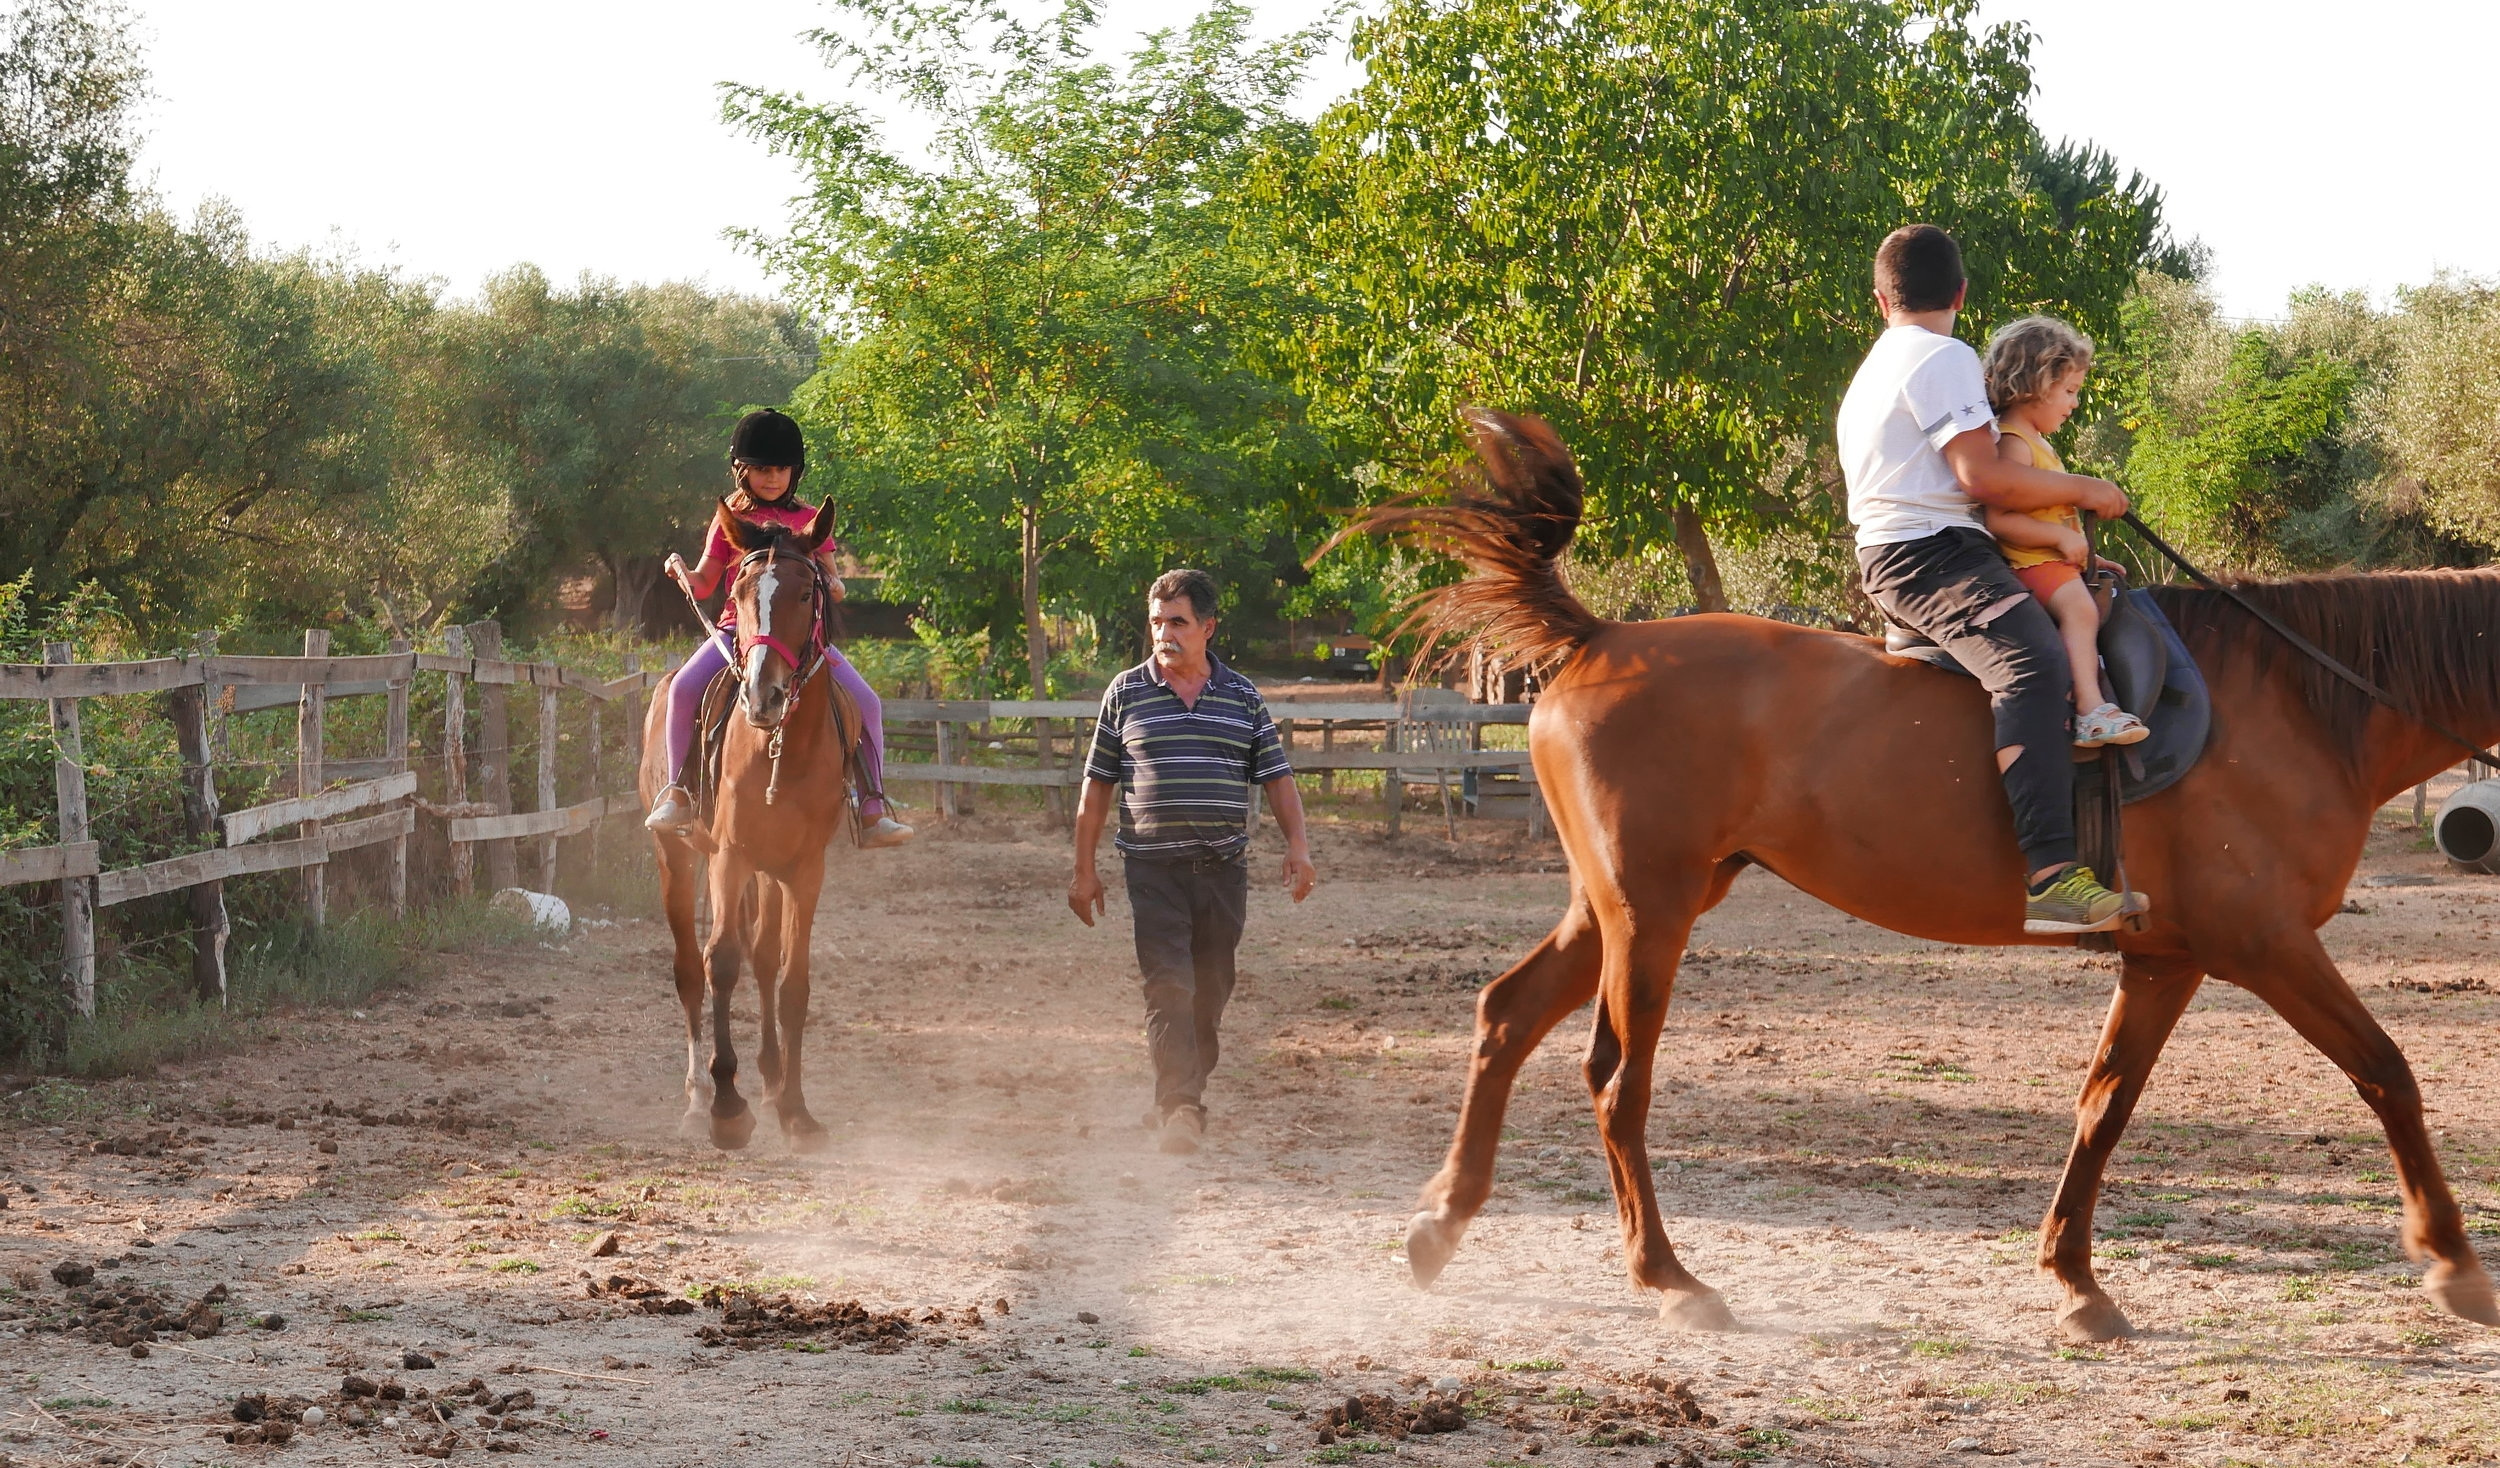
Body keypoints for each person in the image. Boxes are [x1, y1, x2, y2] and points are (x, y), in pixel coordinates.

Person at [1836, 224, 2146, 935]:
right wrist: (2088, 487)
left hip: (1921, 547)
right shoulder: (1943, 357)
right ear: (1962, 294)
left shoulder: (1879, 364)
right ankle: (2051, 876)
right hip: (1930, 552)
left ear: (1882, 298)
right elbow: (1983, 478)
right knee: (2032, 662)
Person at [1067, 568, 1319, 1155]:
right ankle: (1180, 1105)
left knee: (1210, 990)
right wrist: (1084, 870)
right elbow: (1095, 789)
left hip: (1222, 868)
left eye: (1177, 622)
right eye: (1156, 622)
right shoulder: (1125, 693)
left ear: (1207, 627)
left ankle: (1181, 1091)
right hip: (1152, 870)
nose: (1164, 634)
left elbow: (1278, 779)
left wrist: (1299, 847)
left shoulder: (1243, 697)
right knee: (1168, 986)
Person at [644, 408, 914, 848]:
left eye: (781, 469)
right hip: (740, 635)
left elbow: (835, 582)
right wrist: (682, 574)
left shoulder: (810, 519)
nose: (772, 478)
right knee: (682, 689)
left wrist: (834, 582)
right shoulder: (730, 517)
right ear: (742, 471)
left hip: (802, 640)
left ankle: (871, 806)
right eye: (762, 469)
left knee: (868, 702)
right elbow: (707, 581)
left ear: (795, 471)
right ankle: (678, 791)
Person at [1979, 315, 2149, 751]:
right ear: (2035, 383)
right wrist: (2057, 541)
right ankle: (2091, 710)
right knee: (2081, 611)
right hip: (2030, 562)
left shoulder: (2037, 441)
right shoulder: (2014, 441)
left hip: (2049, 560)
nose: (2074, 404)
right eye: (2069, 391)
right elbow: (1998, 518)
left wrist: (2085, 554)